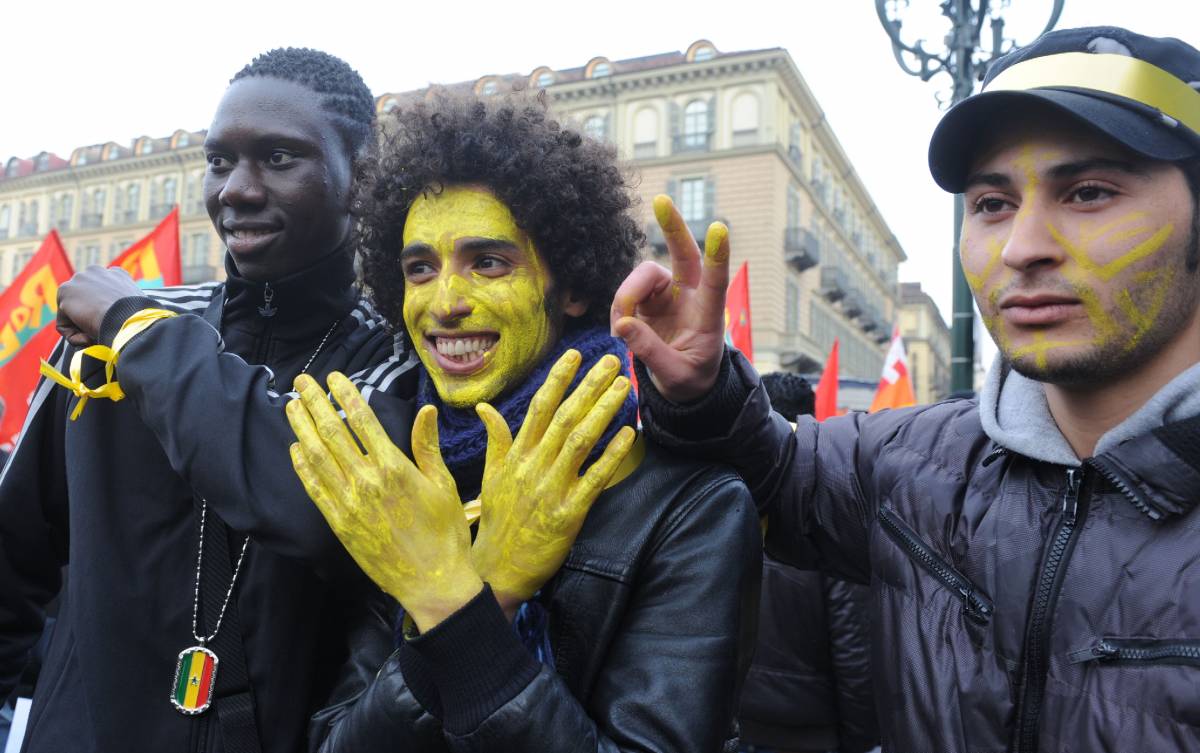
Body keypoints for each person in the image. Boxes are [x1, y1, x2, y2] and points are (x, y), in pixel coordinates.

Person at [615, 26, 1200, 753]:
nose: (1022, 246)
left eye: (1088, 192)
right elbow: (772, 473)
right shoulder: (912, 459)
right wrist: (701, 389)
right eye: (991, 203)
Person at [285, 92, 761, 752]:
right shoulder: (397, 483)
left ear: (570, 287)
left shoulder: (691, 507)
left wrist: (460, 604)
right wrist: (475, 592)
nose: (445, 302)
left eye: (488, 261)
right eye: (419, 267)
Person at [0, 49, 413, 752]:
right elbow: (10, 554)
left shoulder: (397, 363)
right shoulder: (107, 340)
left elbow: (310, 503)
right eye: (219, 161)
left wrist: (140, 334)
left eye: (279, 158)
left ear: (360, 179)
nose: (236, 191)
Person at [739, 373, 877, 753]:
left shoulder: (716, 499)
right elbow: (852, 648)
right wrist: (862, 739)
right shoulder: (830, 511)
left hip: (732, 722)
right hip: (808, 729)